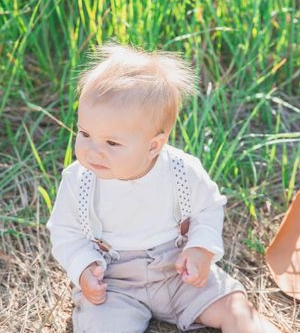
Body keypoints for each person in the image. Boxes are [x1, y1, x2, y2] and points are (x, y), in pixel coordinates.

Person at [47, 43, 279, 333]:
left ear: (153, 145)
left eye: (112, 143)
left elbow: (208, 208)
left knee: (236, 309)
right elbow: (65, 230)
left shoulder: (181, 171)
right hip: (114, 281)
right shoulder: (79, 180)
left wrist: (200, 249)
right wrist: (83, 268)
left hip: (178, 270)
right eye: (85, 133)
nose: (93, 151)